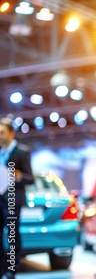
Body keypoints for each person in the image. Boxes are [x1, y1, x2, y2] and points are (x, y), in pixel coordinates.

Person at [0, 118, 33, 279]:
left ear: (11, 133)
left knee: (12, 236)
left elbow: (30, 178)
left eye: (2, 133)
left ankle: (12, 270)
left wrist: (18, 176)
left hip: (13, 199)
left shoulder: (21, 152)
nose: (0, 136)